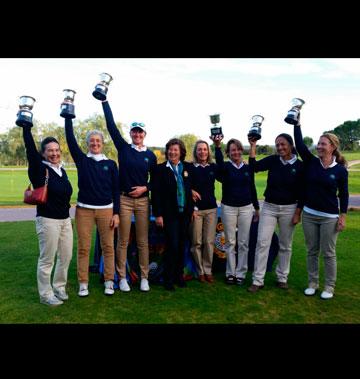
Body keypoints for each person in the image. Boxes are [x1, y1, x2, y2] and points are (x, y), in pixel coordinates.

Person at [102, 100, 157, 292]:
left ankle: (144, 277)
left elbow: (155, 181)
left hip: (142, 201)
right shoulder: (124, 149)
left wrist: (145, 188)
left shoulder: (150, 155)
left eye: (140, 131)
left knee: (143, 241)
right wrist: (105, 101)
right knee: (123, 240)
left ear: (144, 134)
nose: (137, 134)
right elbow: (110, 125)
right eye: (134, 131)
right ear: (130, 133)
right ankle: (122, 277)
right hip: (124, 200)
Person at [293, 119, 348, 300]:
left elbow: (344, 194)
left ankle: (329, 287)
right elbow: (300, 145)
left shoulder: (340, 170)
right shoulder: (311, 162)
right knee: (311, 251)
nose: (319, 146)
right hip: (309, 214)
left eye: (323, 144)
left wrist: (343, 216)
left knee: (329, 253)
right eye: (318, 143)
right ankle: (312, 283)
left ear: (332, 147)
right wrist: (297, 124)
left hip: (329, 217)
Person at [64, 118, 119, 297]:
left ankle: (109, 281)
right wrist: (68, 118)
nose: (95, 143)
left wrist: (116, 213)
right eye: (92, 141)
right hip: (84, 210)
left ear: (102, 143)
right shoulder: (82, 160)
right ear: (87, 143)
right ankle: (83, 283)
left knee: (108, 247)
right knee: (83, 248)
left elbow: (116, 190)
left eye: (98, 141)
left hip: (106, 210)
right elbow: (70, 139)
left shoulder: (110, 164)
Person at [22, 125, 73, 306]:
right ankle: (46, 294)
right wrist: (27, 128)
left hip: (65, 221)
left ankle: (59, 287)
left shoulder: (61, 170)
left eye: (57, 150)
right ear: (43, 154)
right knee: (47, 260)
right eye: (50, 151)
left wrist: (67, 220)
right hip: (47, 220)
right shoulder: (38, 168)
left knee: (65, 256)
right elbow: (29, 148)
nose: (54, 153)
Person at [247, 133, 304, 293]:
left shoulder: (299, 166)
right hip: (270, 208)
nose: (280, 147)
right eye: (277, 145)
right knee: (262, 243)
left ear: (291, 145)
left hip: (290, 209)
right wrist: (252, 147)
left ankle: (282, 278)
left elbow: (303, 192)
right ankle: (258, 280)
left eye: (283, 144)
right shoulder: (273, 160)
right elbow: (254, 167)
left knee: (285, 245)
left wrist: (298, 212)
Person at [212, 136, 259, 285]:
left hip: (246, 207)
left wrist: (257, 207)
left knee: (244, 242)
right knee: (230, 242)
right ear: (228, 152)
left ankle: (241, 273)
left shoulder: (247, 168)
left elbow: (252, 187)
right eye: (233, 150)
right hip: (228, 208)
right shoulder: (225, 168)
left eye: (238, 149)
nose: (236, 152)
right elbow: (218, 163)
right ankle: (230, 273)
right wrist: (217, 146)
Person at [152, 138, 194, 291]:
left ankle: (179, 276)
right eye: (170, 149)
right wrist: (158, 215)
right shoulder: (160, 169)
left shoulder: (186, 168)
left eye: (175, 150)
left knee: (182, 245)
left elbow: (189, 190)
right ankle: (168, 279)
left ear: (181, 152)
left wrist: (191, 210)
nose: (172, 152)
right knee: (172, 246)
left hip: (184, 214)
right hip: (169, 215)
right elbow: (156, 194)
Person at [190, 140, 220, 283]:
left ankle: (208, 270)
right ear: (196, 152)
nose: (202, 152)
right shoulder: (190, 167)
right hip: (195, 211)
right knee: (196, 242)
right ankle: (199, 270)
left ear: (208, 152)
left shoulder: (213, 167)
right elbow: (180, 182)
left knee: (208, 241)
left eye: (205, 149)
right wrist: (190, 190)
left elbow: (226, 171)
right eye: (200, 149)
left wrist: (244, 164)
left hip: (211, 210)